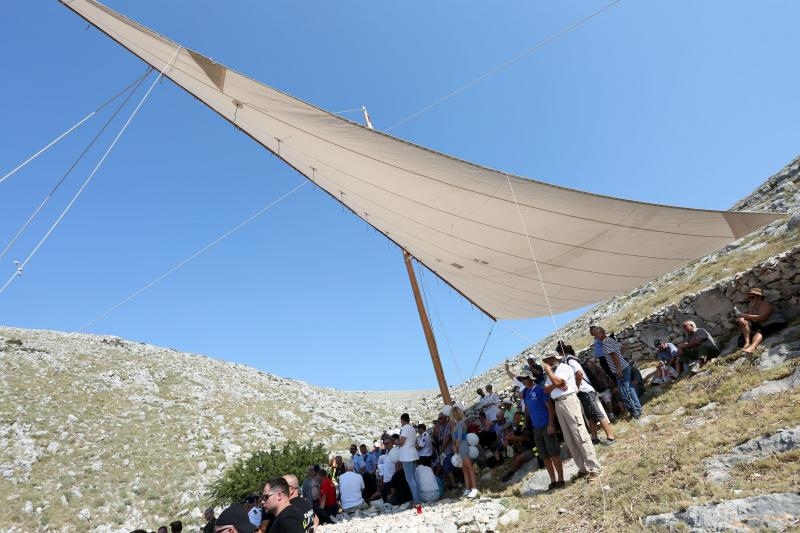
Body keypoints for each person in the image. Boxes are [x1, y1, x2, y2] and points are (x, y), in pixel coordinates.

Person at [542, 351, 602, 482]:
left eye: (550, 359)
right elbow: (546, 389)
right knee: (569, 438)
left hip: (568, 400)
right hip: (558, 403)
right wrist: (555, 383)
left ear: (555, 358)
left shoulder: (564, 368)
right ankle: (583, 468)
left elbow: (558, 383)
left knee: (579, 434)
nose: (548, 362)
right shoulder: (551, 373)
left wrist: (553, 378)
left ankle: (594, 467)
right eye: (547, 360)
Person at [556, 342, 615, 445]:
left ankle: (610, 437)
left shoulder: (570, 360)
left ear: (561, 353)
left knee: (596, 413)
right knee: (590, 416)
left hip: (585, 390)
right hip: (584, 391)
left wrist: (576, 387)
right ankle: (594, 438)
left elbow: (579, 373)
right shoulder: (569, 359)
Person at [519, 371, 564, 490]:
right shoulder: (526, 392)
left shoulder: (540, 389)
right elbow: (527, 408)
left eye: (525, 378)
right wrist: (524, 423)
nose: (523, 380)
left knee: (553, 453)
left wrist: (551, 424)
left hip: (545, 424)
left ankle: (561, 479)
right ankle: (553, 480)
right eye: (522, 379)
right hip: (536, 428)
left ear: (530, 379)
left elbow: (550, 408)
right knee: (544, 455)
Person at [594, 326, 643, 419]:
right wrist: (620, 358)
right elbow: (621, 347)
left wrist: (618, 368)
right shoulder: (610, 340)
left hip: (621, 369)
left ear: (602, 333)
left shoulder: (605, 342)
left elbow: (613, 356)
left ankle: (635, 411)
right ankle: (636, 409)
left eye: (597, 334)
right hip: (623, 367)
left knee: (625, 391)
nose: (596, 337)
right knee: (629, 389)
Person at [736, 287, 787, 354]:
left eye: (752, 297)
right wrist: (743, 319)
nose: (750, 299)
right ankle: (747, 343)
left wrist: (745, 316)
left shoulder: (766, 304)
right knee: (742, 321)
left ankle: (752, 348)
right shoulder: (752, 306)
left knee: (760, 331)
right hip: (763, 324)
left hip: (776, 322)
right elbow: (751, 319)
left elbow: (762, 317)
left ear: (759, 297)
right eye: (749, 298)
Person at [451, 405, 479, 498]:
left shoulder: (460, 423)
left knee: (469, 468)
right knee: (464, 470)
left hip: (462, 447)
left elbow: (459, 437)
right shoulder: (458, 424)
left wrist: (455, 446)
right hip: (460, 448)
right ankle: (467, 489)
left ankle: (474, 488)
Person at [397, 412, 421, 505]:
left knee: (410, 479)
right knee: (414, 478)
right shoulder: (412, 428)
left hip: (407, 456)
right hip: (413, 454)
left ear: (402, 420)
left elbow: (402, 442)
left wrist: (396, 441)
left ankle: (416, 501)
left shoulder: (405, 428)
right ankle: (418, 498)